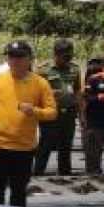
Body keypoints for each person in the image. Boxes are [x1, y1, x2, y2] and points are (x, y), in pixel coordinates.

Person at [0, 41, 56, 207]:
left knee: (19, 189)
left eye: (20, 57)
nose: (15, 61)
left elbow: (52, 112)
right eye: (11, 56)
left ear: (29, 59)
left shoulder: (40, 83)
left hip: (23, 147)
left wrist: (34, 111)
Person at [34, 39, 82, 176]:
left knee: (66, 147)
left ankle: (65, 176)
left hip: (69, 114)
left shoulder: (75, 69)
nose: (67, 59)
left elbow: (78, 91)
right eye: (64, 57)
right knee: (45, 146)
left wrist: (81, 114)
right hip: (50, 115)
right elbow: (35, 91)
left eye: (69, 56)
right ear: (56, 55)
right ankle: (37, 174)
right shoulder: (43, 70)